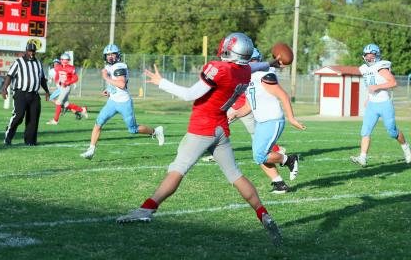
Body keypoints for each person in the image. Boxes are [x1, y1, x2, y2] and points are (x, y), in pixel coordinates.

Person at [116, 33, 284, 246]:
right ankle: (263, 214)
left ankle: (146, 209)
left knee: (177, 169)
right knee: (235, 175)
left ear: (229, 50)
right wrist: (269, 63)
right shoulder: (243, 71)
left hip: (203, 127)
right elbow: (254, 67)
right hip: (221, 129)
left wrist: (161, 82)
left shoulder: (220, 68)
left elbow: (189, 95)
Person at [228, 47, 306, 194]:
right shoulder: (248, 78)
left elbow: (283, 96)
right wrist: (236, 114)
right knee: (258, 155)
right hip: (262, 121)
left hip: (272, 120)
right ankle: (279, 184)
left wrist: (291, 118)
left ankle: (289, 159)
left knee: (260, 155)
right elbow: (249, 105)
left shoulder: (264, 75)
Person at [81, 44, 165, 159]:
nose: (110, 57)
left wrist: (106, 78)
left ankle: (155, 131)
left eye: (112, 54)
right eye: (108, 55)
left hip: (123, 103)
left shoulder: (119, 66)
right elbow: (115, 84)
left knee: (133, 129)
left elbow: (121, 84)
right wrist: (109, 91)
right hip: (112, 101)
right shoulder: (109, 66)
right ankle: (91, 150)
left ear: (118, 55)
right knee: (98, 123)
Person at [202, 47, 286, 162]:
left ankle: (277, 150)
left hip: (246, 107)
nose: (250, 63)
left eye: (253, 60)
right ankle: (217, 153)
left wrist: (273, 64)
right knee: (217, 127)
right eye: (249, 60)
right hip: (235, 106)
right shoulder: (243, 69)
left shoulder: (261, 73)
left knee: (256, 135)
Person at [350, 43, 411, 167]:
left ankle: (406, 149)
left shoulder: (381, 67)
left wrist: (377, 87)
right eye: (366, 55)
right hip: (372, 104)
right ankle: (362, 157)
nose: (368, 57)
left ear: (376, 55)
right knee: (365, 131)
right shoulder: (364, 68)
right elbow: (370, 86)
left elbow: (393, 82)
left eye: (371, 55)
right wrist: (368, 97)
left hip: (384, 104)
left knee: (392, 131)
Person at [2, 42, 50, 146]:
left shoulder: (38, 63)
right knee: (18, 116)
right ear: (26, 51)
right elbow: (10, 75)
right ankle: (8, 136)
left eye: (33, 51)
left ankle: (30, 141)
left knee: (33, 118)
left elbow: (42, 79)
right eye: (30, 51)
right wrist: (4, 88)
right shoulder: (19, 62)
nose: (32, 53)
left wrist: (47, 91)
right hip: (21, 94)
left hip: (34, 95)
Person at [47, 53, 88, 125]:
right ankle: (82, 109)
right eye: (63, 59)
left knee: (58, 102)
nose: (64, 61)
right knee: (66, 105)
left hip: (66, 87)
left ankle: (55, 120)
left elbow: (76, 78)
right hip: (61, 87)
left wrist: (68, 82)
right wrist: (57, 81)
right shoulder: (58, 67)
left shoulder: (71, 68)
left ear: (68, 60)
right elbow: (57, 75)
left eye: (66, 60)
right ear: (61, 60)